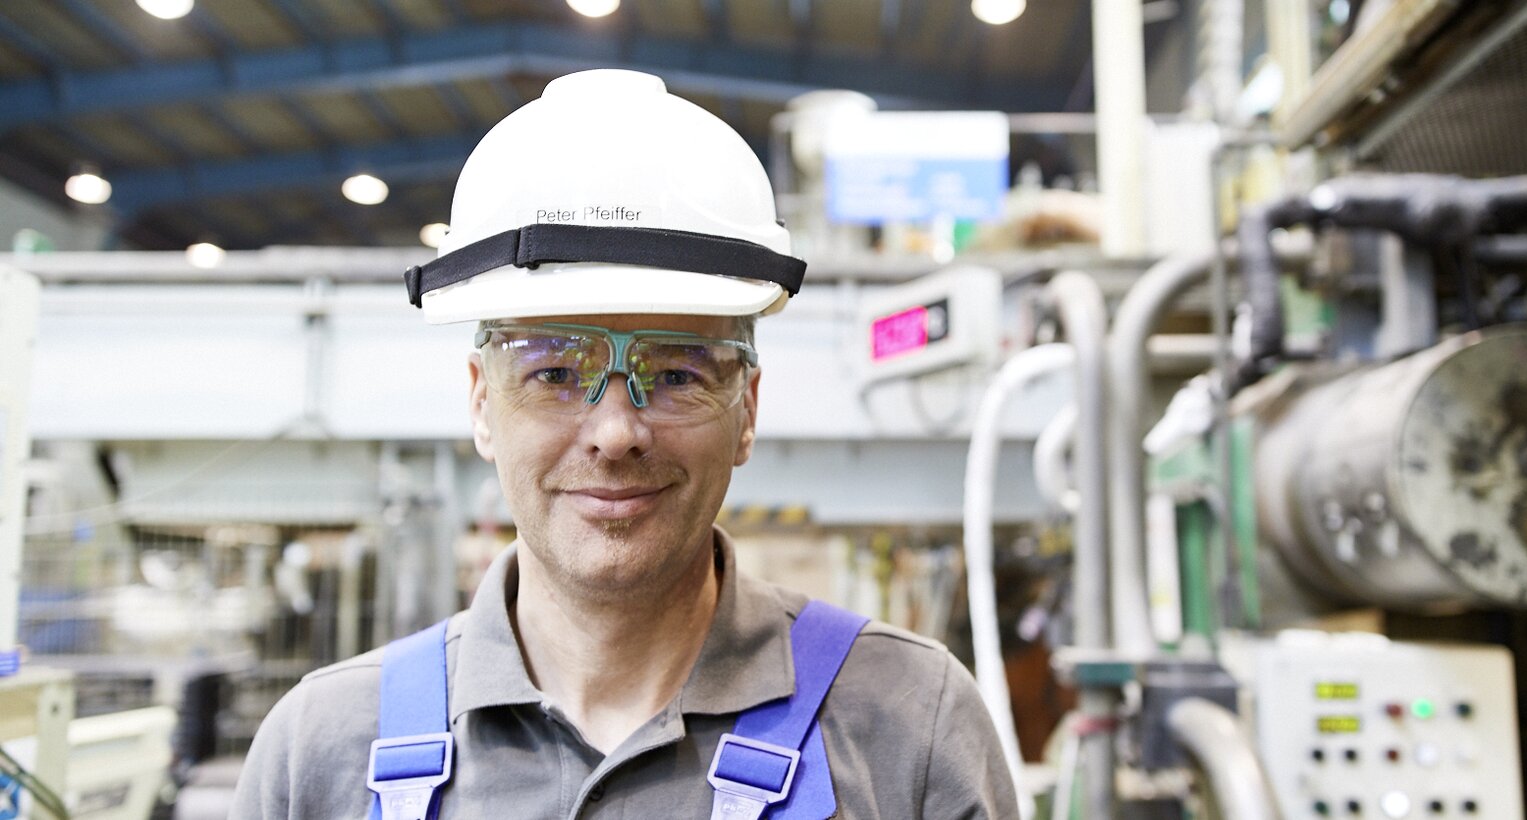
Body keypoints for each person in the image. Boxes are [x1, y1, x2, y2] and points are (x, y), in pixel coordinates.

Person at [231, 69, 1018, 819]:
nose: (615, 433)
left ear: (746, 408)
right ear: (480, 401)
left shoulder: (911, 729)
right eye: (554, 374)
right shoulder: (321, 753)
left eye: (676, 372)